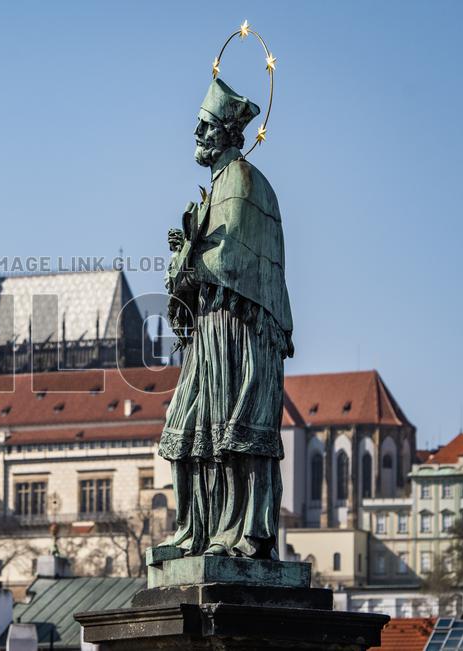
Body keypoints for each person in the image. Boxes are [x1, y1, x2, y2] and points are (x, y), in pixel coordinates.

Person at [161, 77, 293, 559]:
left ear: (226, 132)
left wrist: (187, 261)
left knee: (233, 428)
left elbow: (233, 262)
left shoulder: (241, 181)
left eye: (205, 124)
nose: (196, 132)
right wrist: (185, 264)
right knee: (189, 425)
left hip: (238, 330)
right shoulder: (217, 186)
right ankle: (195, 529)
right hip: (211, 328)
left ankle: (239, 533)